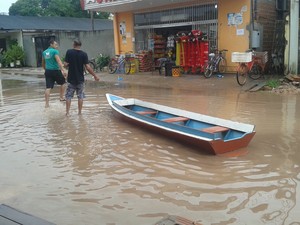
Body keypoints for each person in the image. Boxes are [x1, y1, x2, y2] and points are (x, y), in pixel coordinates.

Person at [64, 39, 99, 116]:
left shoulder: (69, 52)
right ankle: (79, 113)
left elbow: (65, 64)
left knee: (68, 96)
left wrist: (66, 65)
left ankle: (67, 113)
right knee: (80, 96)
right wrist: (95, 75)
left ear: (74, 44)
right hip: (80, 79)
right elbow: (88, 67)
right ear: (80, 45)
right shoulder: (84, 54)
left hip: (71, 79)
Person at [42, 39, 67, 108]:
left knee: (48, 87)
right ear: (51, 44)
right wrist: (63, 70)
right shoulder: (55, 51)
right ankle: (61, 97)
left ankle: (47, 104)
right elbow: (58, 61)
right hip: (55, 70)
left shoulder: (44, 52)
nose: (57, 46)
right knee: (63, 83)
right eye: (55, 44)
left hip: (48, 71)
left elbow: (43, 63)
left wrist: (45, 69)